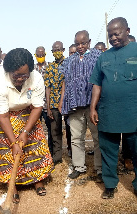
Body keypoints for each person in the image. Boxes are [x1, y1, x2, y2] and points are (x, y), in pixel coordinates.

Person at [90, 17, 137, 203]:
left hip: (136, 113)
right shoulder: (103, 56)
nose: (113, 37)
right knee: (108, 152)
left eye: (117, 33)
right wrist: (93, 108)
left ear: (127, 30)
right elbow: (96, 84)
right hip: (108, 112)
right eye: (110, 35)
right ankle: (110, 185)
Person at [0, 48, 54, 202]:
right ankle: (12, 185)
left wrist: (24, 133)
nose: (21, 79)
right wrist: (13, 142)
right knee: (3, 148)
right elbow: (3, 115)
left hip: (27, 110)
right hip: (3, 114)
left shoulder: (36, 78)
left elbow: (37, 107)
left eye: (25, 75)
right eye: (16, 75)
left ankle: (37, 180)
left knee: (34, 144)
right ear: (8, 71)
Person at [59, 30, 102, 181]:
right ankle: (79, 167)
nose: (80, 46)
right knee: (76, 138)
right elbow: (65, 82)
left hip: (93, 106)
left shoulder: (98, 56)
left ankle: (99, 168)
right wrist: (62, 101)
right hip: (75, 105)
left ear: (89, 42)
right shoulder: (69, 60)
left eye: (83, 43)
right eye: (77, 44)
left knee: (97, 137)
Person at [44, 41, 65, 164]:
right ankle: (57, 156)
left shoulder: (68, 63)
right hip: (53, 104)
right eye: (54, 50)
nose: (57, 52)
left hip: (68, 103)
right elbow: (48, 87)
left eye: (58, 49)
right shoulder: (50, 67)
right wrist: (48, 106)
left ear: (63, 49)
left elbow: (66, 84)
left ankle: (72, 154)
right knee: (54, 131)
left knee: (71, 131)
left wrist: (62, 101)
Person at [34, 46, 53, 154]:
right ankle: (38, 150)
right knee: (36, 128)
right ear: (35, 55)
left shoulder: (49, 67)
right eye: (38, 55)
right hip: (36, 104)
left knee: (50, 129)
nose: (40, 57)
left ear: (45, 55)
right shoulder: (32, 68)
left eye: (42, 55)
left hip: (46, 104)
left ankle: (50, 150)